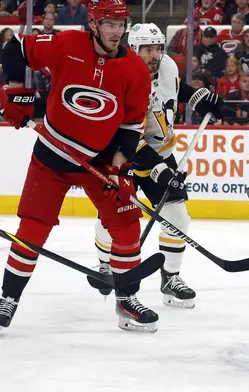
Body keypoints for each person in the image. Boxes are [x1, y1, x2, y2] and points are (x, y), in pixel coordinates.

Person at [0, 0, 156, 332]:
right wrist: (13, 90)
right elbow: (13, 47)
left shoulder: (136, 70)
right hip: (51, 157)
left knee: (127, 224)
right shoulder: (66, 45)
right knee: (33, 228)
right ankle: (8, 298)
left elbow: (131, 125)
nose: (117, 32)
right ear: (95, 25)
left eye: (121, 25)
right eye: (110, 25)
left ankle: (127, 301)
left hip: (98, 160)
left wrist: (120, 168)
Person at [92, 23, 224, 309]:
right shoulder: (119, 75)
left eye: (158, 48)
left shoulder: (167, 66)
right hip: (123, 156)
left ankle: (171, 278)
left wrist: (200, 98)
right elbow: (124, 134)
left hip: (161, 151)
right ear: (133, 48)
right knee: (110, 217)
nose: (154, 55)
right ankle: (104, 265)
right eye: (147, 49)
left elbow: (174, 91)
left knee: (178, 215)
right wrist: (157, 169)